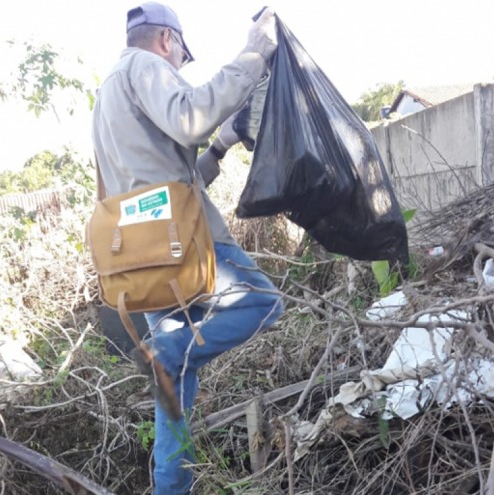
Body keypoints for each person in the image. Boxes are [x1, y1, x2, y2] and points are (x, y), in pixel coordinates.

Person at [91, 3, 283, 494]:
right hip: (182, 250)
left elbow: (161, 185)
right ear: (166, 41)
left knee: (174, 383)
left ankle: (170, 488)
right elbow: (191, 117)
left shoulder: (106, 98)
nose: (178, 67)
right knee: (264, 303)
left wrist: (219, 148)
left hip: (142, 261)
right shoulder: (144, 64)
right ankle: (170, 348)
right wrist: (254, 54)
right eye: (179, 56)